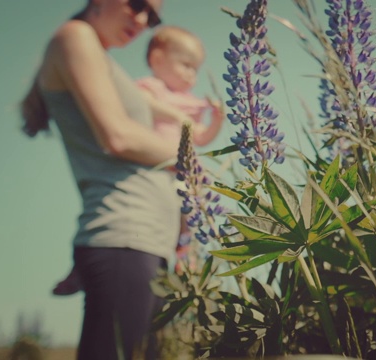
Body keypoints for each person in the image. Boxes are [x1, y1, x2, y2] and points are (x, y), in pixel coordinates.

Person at [20, 1, 187, 358]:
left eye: (153, 17)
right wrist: (189, 160)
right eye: (138, 4)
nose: (143, 20)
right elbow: (118, 136)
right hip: (123, 234)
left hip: (146, 242)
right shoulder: (75, 36)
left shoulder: (102, 59)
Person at [51, 25, 223, 294]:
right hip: (151, 170)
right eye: (186, 65)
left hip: (175, 174)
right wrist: (179, 116)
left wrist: (217, 122)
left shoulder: (192, 101)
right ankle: (77, 270)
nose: (192, 74)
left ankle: (186, 252)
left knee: (192, 211)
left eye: (196, 69)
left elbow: (201, 138)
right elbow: (142, 103)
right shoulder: (150, 87)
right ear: (157, 60)